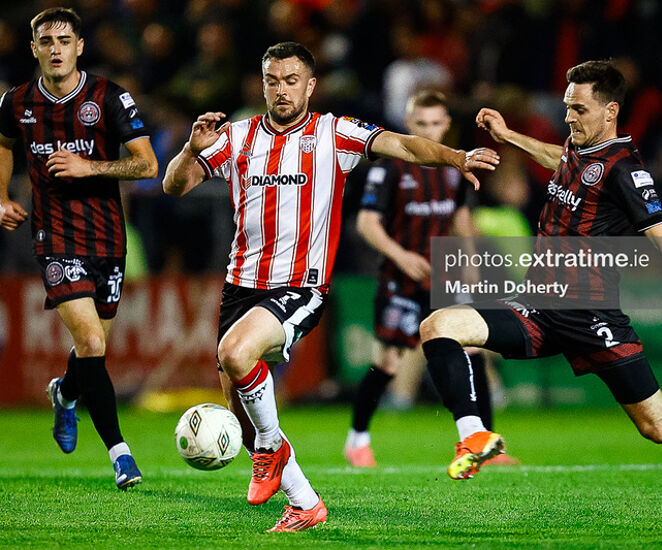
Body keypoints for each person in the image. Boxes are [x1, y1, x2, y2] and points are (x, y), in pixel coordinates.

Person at [162, 42, 499, 531]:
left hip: (300, 286)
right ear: (262, 84)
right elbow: (175, 186)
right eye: (272, 80)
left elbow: (403, 145)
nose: (282, 89)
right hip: (240, 289)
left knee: (236, 355)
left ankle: (271, 454)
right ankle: (303, 501)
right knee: (243, 419)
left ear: (310, 85)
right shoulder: (235, 136)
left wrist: (455, 156)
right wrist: (190, 149)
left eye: (292, 80)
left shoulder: (333, 133)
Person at [418, 60, 662, 481]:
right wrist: (510, 136)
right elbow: (562, 161)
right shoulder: (580, 149)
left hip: (592, 315)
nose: (569, 116)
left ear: (611, 111)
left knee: (660, 428)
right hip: (538, 307)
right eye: (568, 107)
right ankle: (474, 435)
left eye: (580, 109)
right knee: (439, 324)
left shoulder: (626, 169)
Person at [0, 8, 158, 489]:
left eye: (64, 40)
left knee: (93, 350)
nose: (55, 49)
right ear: (34, 48)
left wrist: (92, 168)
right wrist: (2, 196)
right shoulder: (17, 101)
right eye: (46, 41)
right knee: (90, 343)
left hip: (108, 238)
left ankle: (65, 395)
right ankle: (121, 455)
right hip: (55, 238)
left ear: (79, 46)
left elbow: (147, 165)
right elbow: (4, 143)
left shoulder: (109, 97)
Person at [343, 89, 518, 468]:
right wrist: (401, 256)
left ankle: (481, 443)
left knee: (471, 351)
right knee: (388, 363)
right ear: (409, 125)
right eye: (421, 124)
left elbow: (460, 219)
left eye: (436, 123)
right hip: (399, 278)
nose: (428, 130)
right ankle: (357, 439)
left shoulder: (453, 171)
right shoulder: (387, 167)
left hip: (443, 277)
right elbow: (366, 223)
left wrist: (470, 265)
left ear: (447, 125)